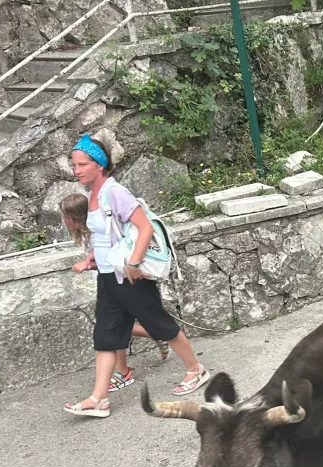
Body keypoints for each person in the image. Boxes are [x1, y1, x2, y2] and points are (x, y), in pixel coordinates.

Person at [63, 134, 210, 418]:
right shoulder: (93, 195)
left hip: (130, 276)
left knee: (159, 324)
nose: (77, 170)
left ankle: (196, 369)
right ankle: (98, 399)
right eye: (74, 165)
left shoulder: (114, 192)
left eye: (82, 164)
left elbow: (144, 228)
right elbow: (108, 237)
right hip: (108, 278)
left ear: (100, 165)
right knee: (105, 336)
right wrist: (93, 259)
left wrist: (133, 262)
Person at [59, 193, 171, 395]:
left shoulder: (99, 231)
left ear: (77, 217)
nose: (64, 221)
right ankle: (158, 337)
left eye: (67, 217)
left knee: (113, 328)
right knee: (115, 327)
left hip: (119, 281)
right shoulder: (89, 233)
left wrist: (86, 264)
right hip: (108, 283)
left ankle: (124, 371)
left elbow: (112, 257)